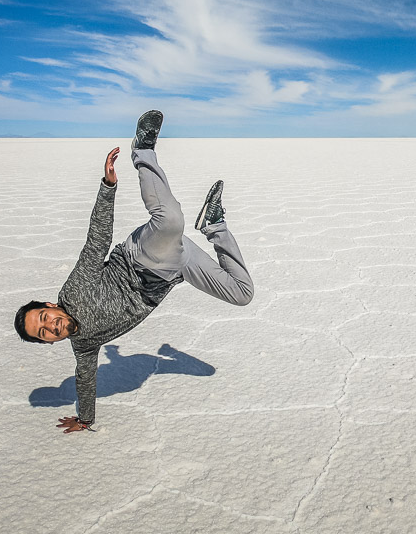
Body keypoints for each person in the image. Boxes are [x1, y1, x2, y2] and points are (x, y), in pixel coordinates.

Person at [14, 110, 254, 433]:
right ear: (51, 342)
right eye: (44, 333)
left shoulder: (73, 292)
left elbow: (96, 243)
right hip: (172, 272)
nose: (51, 326)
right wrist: (85, 419)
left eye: (43, 318)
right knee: (242, 293)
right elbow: (85, 380)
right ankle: (215, 224)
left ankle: (143, 150)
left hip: (141, 259)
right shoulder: (83, 346)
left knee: (169, 221)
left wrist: (107, 188)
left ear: (50, 307)